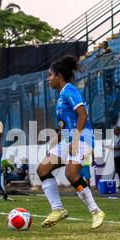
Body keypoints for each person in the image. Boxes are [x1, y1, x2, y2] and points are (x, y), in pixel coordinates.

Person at [36, 55, 105, 230]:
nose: (48, 79)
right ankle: (58, 209)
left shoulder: (69, 90)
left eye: (50, 75)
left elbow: (82, 114)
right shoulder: (61, 96)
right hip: (68, 138)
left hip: (82, 138)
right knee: (43, 169)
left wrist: (74, 139)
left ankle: (96, 211)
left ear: (59, 76)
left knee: (71, 173)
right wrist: (56, 139)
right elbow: (67, 124)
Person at [111, 125, 120, 190]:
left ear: (118, 130)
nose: (114, 133)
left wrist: (112, 148)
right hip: (116, 155)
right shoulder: (117, 136)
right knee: (119, 170)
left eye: (114, 131)